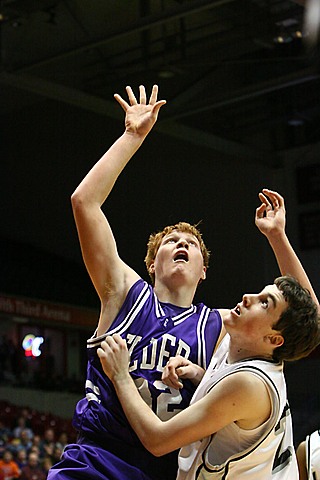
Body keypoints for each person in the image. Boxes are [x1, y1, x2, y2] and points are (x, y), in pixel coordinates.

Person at [47, 84, 226, 480]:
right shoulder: (123, 291)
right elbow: (84, 203)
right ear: (151, 264)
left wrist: (277, 236)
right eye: (171, 242)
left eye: (191, 244)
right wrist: (132, 137)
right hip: (98, 459)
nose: (181, 244)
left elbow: (305, 320)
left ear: (203, 270)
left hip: (167, 469)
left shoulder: (220, 325)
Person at [97, 190, 320, 480]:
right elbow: (307, 321)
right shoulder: (241, 340)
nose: (248, 296)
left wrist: (120, 375)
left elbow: (158, 440)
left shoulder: (249, 380)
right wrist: (201, 376)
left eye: (265, 302)